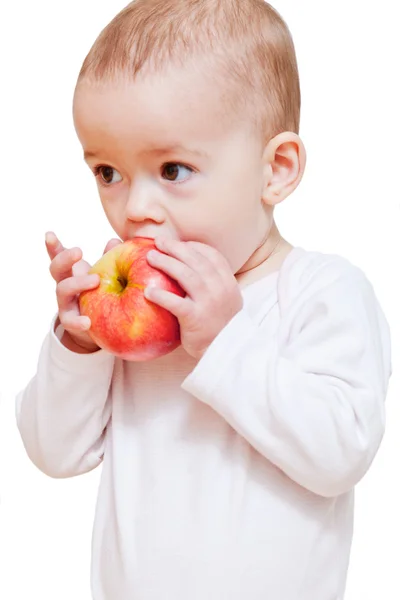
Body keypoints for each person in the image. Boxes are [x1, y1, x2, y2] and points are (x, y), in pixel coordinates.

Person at [16, 1, 392, 598]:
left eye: (173, 169)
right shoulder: (135, 319)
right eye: (108, 172)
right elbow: (54, 453)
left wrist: (225, 343)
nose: (134, 207)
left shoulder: (322, 293)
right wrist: (79, 345)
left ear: (277, 169)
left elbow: (341, 452)